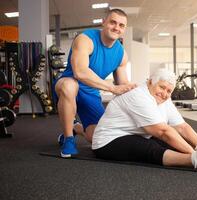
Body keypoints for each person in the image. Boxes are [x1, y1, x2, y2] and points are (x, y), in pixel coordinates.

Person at [92, 69, 197, 170]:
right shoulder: (138, 95)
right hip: (108, 141)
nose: (164, 94)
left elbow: (182, 127)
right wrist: (194, 152)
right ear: (150, 82)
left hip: (136, 134)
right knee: (153, 147)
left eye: (169, 91)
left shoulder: (164, 99)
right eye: (161, 88)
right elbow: (163, 132)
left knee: (172, 140)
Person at [54, 8, 136, 158]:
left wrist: (138, 91)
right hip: (69, 83)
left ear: (124, 30)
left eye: (121, 25)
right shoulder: (85, 39)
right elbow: (80, 72)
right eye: (113, 22)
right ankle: (68, 139)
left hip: (91, 92)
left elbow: (122, 84)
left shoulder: (121, 54)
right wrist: (112, 88)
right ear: (103, 22)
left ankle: (75, 127)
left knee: (97, 138)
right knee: (69, 86)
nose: (116, 28)